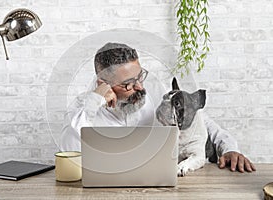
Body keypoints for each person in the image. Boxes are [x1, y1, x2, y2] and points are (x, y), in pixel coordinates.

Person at [61, 42, 256, 173]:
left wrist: (228, 148)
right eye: (128, 83)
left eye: (140, 76)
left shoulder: (157, 94)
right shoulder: (82, 109)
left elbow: (199, 122)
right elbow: (69, 154)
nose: (140, 87)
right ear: (102, 83)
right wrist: (95, 101)